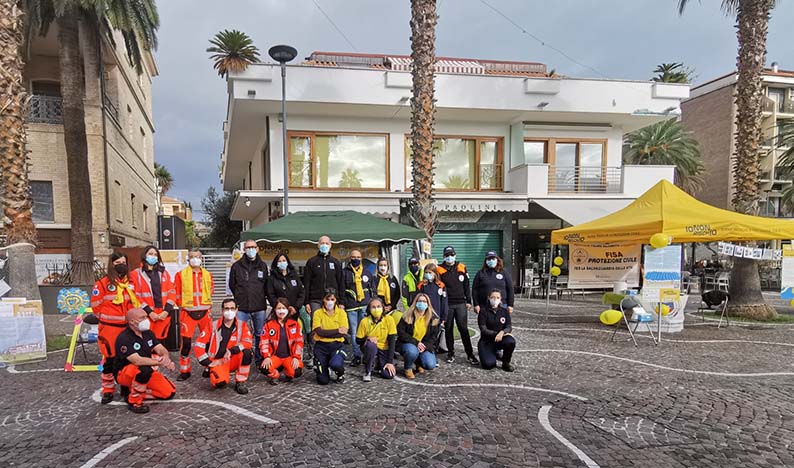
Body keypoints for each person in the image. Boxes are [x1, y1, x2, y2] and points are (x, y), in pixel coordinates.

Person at [91, 252, 139, 404]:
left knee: (128, 359)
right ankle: (108, 390)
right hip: (110, 329)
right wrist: (107, 317)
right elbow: (96, 306)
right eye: (118, 263)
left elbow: (137, 302)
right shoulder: (102, 283)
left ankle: (125, 387)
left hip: (128, 328)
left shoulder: (132, 283)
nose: (121, 265)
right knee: (109, 360)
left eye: (124, 262)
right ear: (112, 265)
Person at [115, 308, 176, 413]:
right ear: (132, 322)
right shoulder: (124, 338)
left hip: (145, 369)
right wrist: (160, 363)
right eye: (142, 318)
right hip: (125, 371)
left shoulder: (148, 333)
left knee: (168, 393)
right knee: (143, 370)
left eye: (146, 317)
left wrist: (165, 357)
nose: (146, 320)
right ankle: (134, 401)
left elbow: (160, 348)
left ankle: (131, 391)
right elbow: (137, 361)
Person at [193, 298, 253, 394]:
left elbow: (248, 341)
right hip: (218, 361)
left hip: (233, 358)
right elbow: (198, 345)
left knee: (247, 353)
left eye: (232, 308)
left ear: (236, 310)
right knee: (220, 383)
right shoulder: (212, 326)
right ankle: (212, 370)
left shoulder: (242, 326)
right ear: (222, 310)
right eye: (227, 308)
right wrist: (208, 362)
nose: (229, 311)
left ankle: (240, 381)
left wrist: (232, 350)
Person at [228, 239, 270, 369]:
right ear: (244, 250)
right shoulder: (237, 266)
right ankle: (240, 359)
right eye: (248, 247)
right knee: (239, 334)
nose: (250, 249)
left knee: (259, 334)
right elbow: (232, 284)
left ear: (257, 249)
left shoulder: (263, 266)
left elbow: (266, 285)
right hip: (242, 307)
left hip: (259, 306)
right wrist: (239, 296)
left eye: (253, 247)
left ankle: (259, 359)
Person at [174, 248, 214, 381]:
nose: (195, 259)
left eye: (197, 256)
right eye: (192, 256)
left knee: (208, 342)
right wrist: (183, 306)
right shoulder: (180, 275)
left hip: (205, 313)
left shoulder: (208, 275)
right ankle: (185, 370)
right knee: (186, 344)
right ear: (188, 259)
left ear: (201, 259)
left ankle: (208, 367)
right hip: (188, 313)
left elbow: (211, 291)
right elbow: (177, 294)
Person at [437, 245, 478, 365]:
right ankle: (450, 353)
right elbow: (438, 286)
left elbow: (467, 285)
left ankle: (470, 354)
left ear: (455, 255)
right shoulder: (439, 269)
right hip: (447, 304)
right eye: (447, 255)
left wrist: (469, 301)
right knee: (448, 329)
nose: (449, 257)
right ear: (443, 256)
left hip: (460, 303)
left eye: (451, 254)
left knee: (463, 329)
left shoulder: (462, 267)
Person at [266, 252, 309, 366]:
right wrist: (280, 307)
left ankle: (295, 358)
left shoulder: (294, 276)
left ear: (288, 262)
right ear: (276, 264)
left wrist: (296, 307)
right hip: (279, 313)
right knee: (280, 335)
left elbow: (301, 293)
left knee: (295, 335)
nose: (282, 263)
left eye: (284, 260)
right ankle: (278, 358)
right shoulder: (272, 278)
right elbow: (270, 294)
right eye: (279, 261)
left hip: (294, 311)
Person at [129, 245, 176, 341]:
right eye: (150, 254)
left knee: (160, 341)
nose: (153, 256)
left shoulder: (164, 273)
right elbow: (135, 296)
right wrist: (150, 312)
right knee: (146, 341)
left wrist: (166, 311)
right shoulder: (135, 274)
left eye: (155, 254)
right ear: (144, 255)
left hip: (163, 314)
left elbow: (172, 292)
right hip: (145, 315)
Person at [396, 293, 441, 379]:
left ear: (428, 304)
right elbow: (401, 332)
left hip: (424, 345)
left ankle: (418, 363)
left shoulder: (434, 319)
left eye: (424, 301)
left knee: (430, 364)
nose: (422, 303)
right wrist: (416, 343)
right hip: (409, 343)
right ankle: (408, 368)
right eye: (419, 301)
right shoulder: (407, 316)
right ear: (415, 302)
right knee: (412, 351)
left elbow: (434, 337)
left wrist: (425, 346)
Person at [260, 298, 304, 385]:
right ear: (275, 310)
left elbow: (299, 342)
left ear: (288, 309)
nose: (281, 311)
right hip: (275, 357)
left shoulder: (294, 324)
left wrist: (296, 357)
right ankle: (276, 376)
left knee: (297, 372)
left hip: (289, 357)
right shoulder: (269, 325)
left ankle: (288, 373)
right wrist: (266, 357)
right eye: (279, 308)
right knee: (264, 368)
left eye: (283, 308)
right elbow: (264, 342)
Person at [342, 249, 373, 366]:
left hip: (364, 305)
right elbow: (341, 289)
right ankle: (357, 355)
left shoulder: (367, 272)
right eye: (354, 257)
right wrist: (343, 303)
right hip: (351, 306)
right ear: (350, 258)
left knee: (365, 331)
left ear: (361, 258)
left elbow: (372, 288)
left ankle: (366, 354)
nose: (356, 259)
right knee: (354, 332)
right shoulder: (344, 272)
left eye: (358, 257)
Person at [311, 290, 348, 385]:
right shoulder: (317, 313)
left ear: (336, 300)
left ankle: (340, 373)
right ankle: (324, 367)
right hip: (321, 347)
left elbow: (343, 333)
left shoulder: (341, 313)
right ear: (323, 300)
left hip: (337, 345)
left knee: (335, 364)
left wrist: (326, 333)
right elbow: (319, 332)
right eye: (327, 299)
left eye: (332, 299)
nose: (330, 302)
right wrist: (337, 330)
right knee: (323, 381)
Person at [355, 298, 397, 382]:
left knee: (388, 375)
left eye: (378, 306)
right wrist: (367, 338)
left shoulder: (389, 319)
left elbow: (392, 341)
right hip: (370, 347)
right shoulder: (364, 321)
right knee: (371, 345)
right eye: (373, 307)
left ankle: (378, 364)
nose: (376, 309)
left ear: (383, 307)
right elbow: (358, 340)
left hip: (384, 349)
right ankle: (367, 371)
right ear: (369, 309)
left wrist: (390, 362)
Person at [477, 289, 516, 372]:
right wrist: (497, 334)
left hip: (500, 339)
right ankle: (493, 354)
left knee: (510, 341)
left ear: (501, 299)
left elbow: (509, 327)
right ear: (488, 298)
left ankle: (506, 363)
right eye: (493, 297)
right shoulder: (483, 311)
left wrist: (502, 332)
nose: (495, 299)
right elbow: (483, 329)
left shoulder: (504, 311)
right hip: (486, 341)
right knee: (488, 365)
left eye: (498, 297)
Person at [304, 236, 343, 314]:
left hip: (331, 299)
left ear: (330, 245)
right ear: (318, 245)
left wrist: (341, 302)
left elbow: (340, 282)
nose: (324, 245)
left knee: (331, 321)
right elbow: (306, 282)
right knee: (316, 321)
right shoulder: (311, 262)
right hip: (315, 300)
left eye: (327, 243)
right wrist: (306, 302)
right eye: (322, 243)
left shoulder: (335, 262)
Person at [416, 263, 448, 354]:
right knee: (425, 333)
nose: (428, 274)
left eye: (430, 273)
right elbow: (417, 298)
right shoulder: (422, 285)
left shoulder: (441, 285)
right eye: (426, 272)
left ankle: (434, 350)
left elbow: (444, 302)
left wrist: (444, 317)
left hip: (436, 315)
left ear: (435, 273)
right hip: (424, 314)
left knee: (435, 334)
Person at [472, 251, 515, 315]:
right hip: (484, 306)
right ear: (486, 261)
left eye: (493, 259)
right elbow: (474, 290)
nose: (491, 261)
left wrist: (510, 305)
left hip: (502, 305)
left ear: (497, 260)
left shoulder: (504, 273)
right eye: (489, 259)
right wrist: (476, 304)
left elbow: (510, 289)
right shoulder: (480, 273)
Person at [374, 257, 402, 324]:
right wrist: (381, 306)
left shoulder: (393, 278)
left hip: (391, 309)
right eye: (381, 265)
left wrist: (391, 306)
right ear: (377, 267)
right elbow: (373, 295)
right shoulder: (374, 279)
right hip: (378, 310)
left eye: (385, 265)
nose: (383, 267)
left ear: (388, 267)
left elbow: (397, 294)